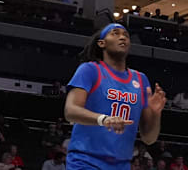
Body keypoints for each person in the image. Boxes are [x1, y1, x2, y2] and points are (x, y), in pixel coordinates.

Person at [64, 23, 167, 169]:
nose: (122, 37)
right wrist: (104, 119)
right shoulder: (90, 69)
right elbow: (70, 111)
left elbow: (149, 138)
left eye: (126, 35)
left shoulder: (140, 79)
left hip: (121, 164)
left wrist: (156, 113)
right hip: (86, 161)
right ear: (102, 43)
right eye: (115, 33)